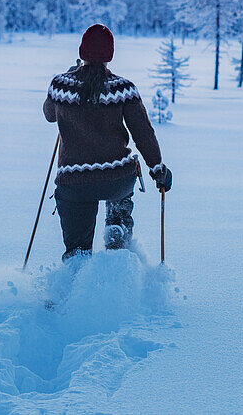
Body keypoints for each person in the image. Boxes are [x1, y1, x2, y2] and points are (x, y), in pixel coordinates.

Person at [43, 24, 172, 260]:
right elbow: (143, 134)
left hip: (73, 182)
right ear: (109, 55)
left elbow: (49, 115)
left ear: (82, 53)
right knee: (119, 199)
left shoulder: (60, 85)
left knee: (77, 252)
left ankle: (75, 271)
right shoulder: (124, 88)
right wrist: (158, 170)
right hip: (116, 180)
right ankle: (117, 234)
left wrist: (67, 78)